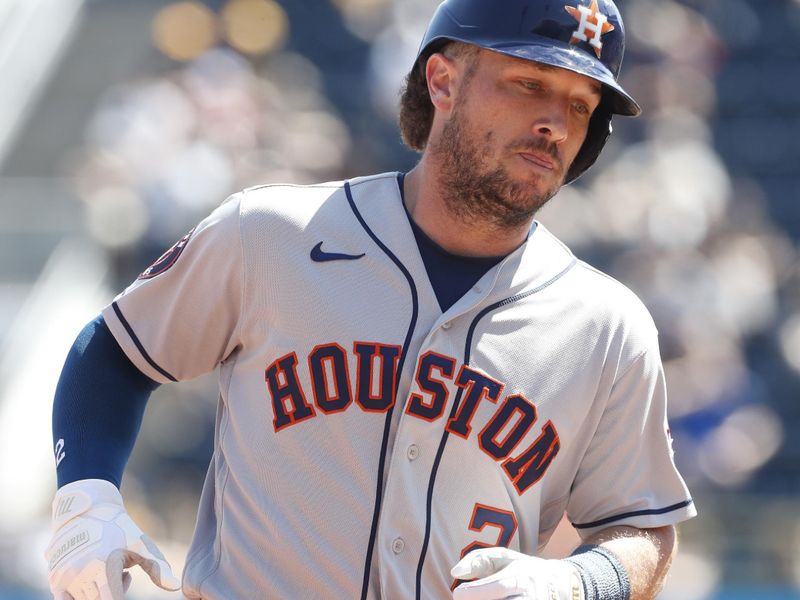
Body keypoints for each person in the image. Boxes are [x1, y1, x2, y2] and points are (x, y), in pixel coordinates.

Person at [45, 0, 696, 598]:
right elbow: (114, 352)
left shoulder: (607, 326)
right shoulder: (271, 233)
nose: (555, 123)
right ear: (443, 81)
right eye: (530, 83)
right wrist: (86, 492)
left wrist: (579, 584)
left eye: (582, 105)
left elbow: (641, 530)